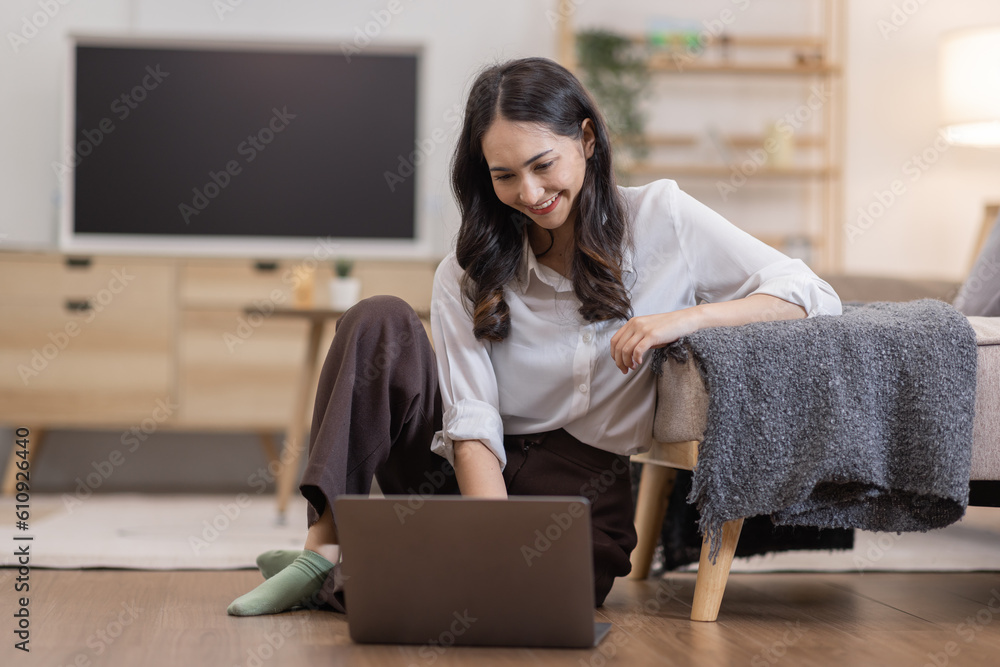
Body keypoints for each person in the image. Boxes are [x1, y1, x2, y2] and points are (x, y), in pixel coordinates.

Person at [226, 56, 842, 617]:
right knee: (379, 319)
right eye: (504, 175)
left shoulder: (662, 218)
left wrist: (684, 320)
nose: (530, 193)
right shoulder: (467, 270)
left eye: (543, 165)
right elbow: (471, 418)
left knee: (515, 602)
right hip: (467, 473)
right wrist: (491, 539)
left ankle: (357, 575)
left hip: (581, 489)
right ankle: (323, 548)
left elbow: (811, 294)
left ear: (587, 138)